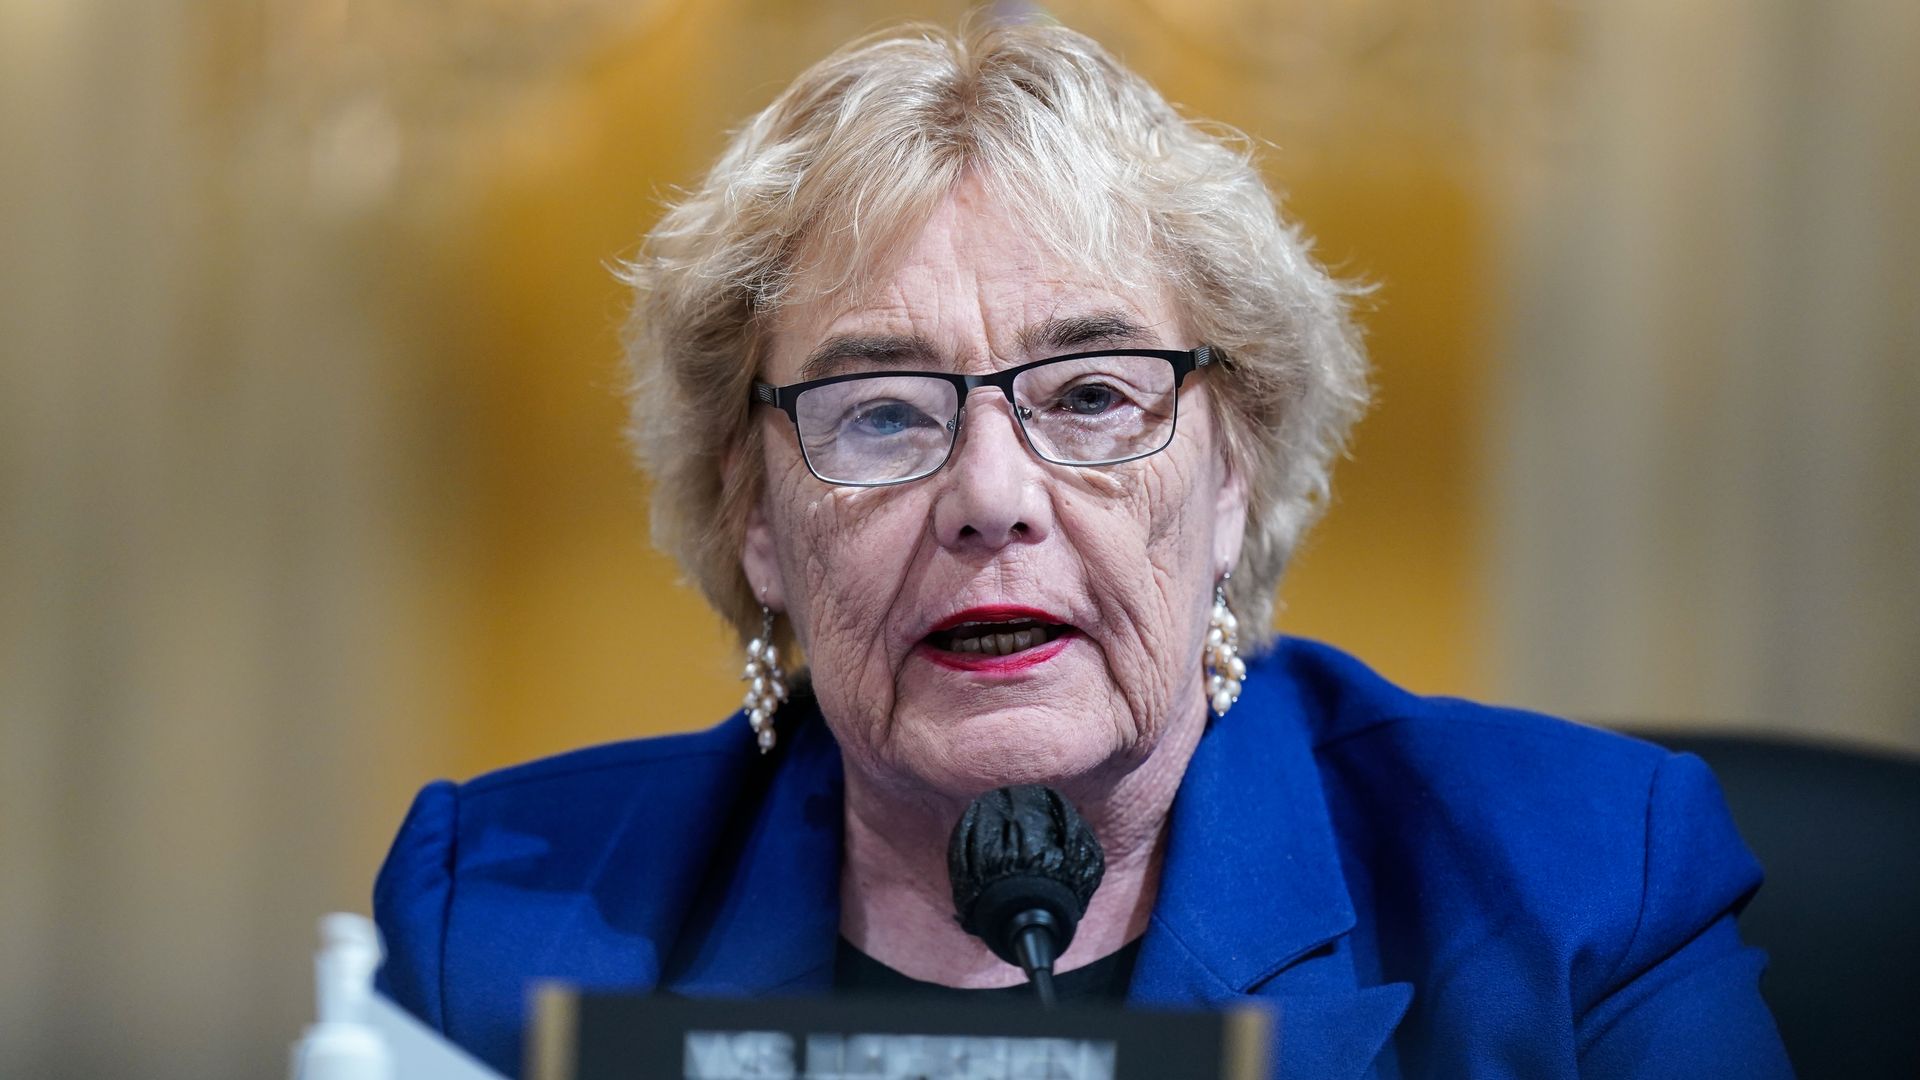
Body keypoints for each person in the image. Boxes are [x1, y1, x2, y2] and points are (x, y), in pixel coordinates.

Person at [373, 20, 1793, 1079]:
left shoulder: (1576, 891)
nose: (994, 496)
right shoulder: (497, 923)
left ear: (1233, 474)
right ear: (755, 519)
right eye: (879, 413)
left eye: (1095, 396)